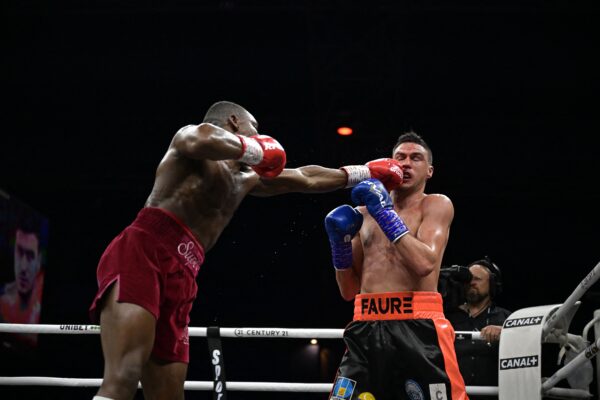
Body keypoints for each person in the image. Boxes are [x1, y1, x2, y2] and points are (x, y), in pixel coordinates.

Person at [88, 100, 405, 400]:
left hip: (185, 272)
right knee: (124, 377)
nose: (260, 136)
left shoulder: (244, 177)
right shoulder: (189, 142)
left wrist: (366, 172)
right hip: (144, 251)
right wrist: (254, 148)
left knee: (169, 395)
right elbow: (200, 139)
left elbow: (305, 178)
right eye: (254, 128)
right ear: (234, 121)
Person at [324, 131, 468, 400]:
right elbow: (348, 290)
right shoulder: (363, 215)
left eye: (416, 158)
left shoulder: (435, 205)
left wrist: (385, 213)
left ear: (429, 171)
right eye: (399, 157)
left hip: (418, 326)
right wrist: (339, 246)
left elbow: (425, 263)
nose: (406, 163)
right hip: (366, 325)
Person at [445, 258, 511, 397]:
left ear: (492, 284)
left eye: (477, 279)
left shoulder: (506, 318)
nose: (471, 282)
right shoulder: (447, 318)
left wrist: (506, 332)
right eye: (468, 279)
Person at [0, 213, 45, 348]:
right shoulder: (3, 302)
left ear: (39, 260)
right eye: (19, 252)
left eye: (30, 256)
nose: (23, 267)